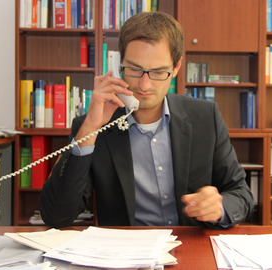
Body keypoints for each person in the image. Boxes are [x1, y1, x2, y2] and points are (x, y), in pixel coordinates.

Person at [39, 11, 254, 228]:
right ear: (117, 64)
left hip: (190, 248)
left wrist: (219, 207)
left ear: (176, 68)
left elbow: (241, 194)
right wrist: (90, 129)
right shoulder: (94, 128)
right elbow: (56, 216)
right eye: (134, 69)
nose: (144, 86)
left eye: (159, 72)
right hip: (127, 254)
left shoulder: (205, 118)